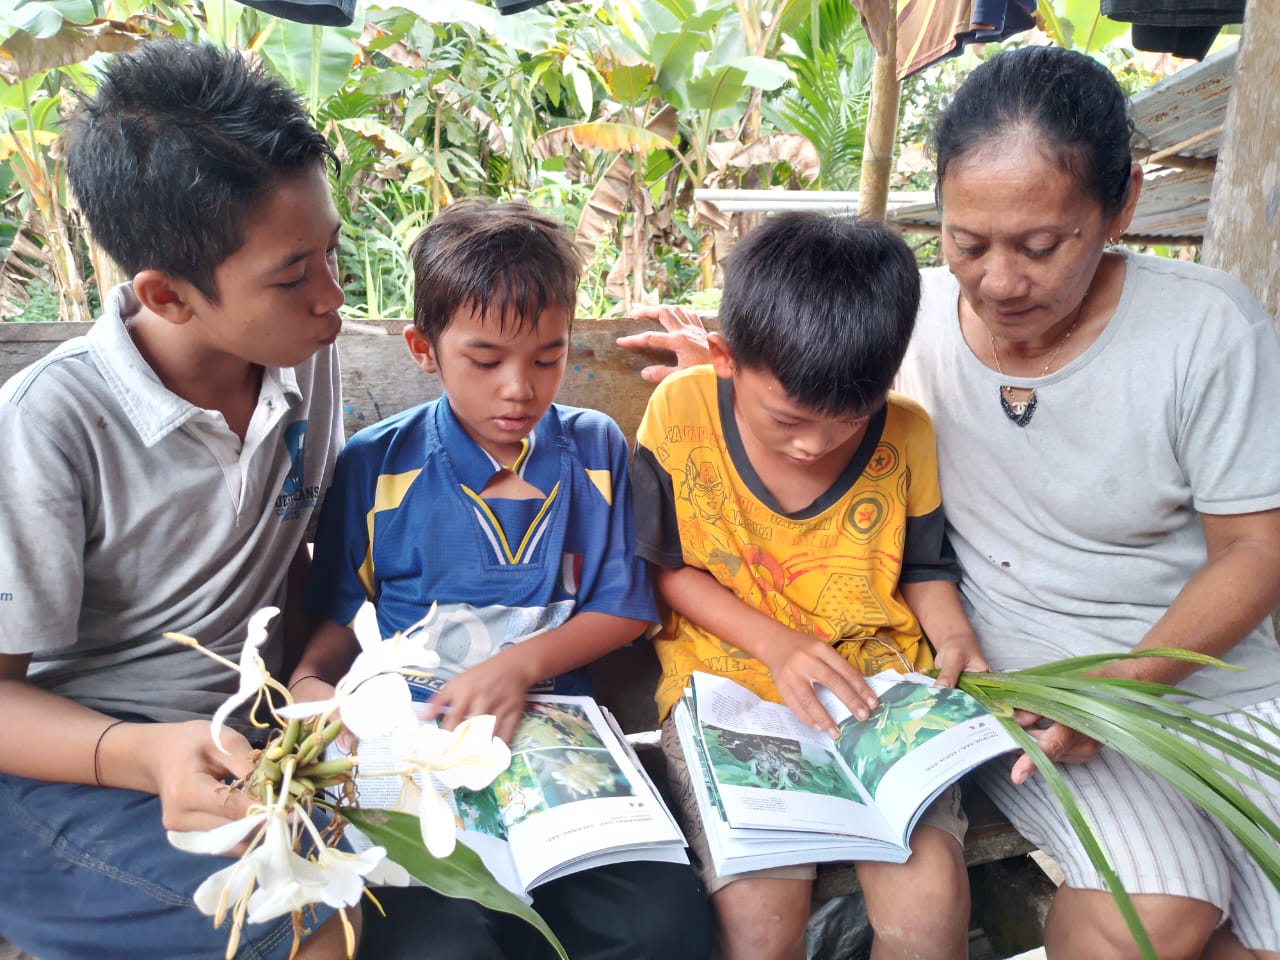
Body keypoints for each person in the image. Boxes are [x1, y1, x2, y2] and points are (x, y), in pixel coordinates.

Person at [621, 45, 1280, 960]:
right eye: (968, 243)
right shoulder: (908, 317)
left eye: (1041, 246)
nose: (1001, 281)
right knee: (1166, 915)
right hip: (1019, 687)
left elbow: (1255, 551)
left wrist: (1121, 690)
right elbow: (786, 371)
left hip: (1194, 677)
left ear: (1120, 207)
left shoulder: (1207, 328)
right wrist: (727, 385)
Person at [0, 42, 354, 960]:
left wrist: (316, 675)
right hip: (66, 780)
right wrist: (146, 754)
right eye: (292, 275)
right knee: (310, 920)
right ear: (166, 294)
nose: (332, 299)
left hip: (246, 755)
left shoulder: (299, 357)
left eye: (333, 252)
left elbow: (308, 560)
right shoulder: (50, 424)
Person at [294, 198, 714, 960]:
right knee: (439, 947)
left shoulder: (595, 450)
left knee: (662, 930)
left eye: (547, 358)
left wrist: (517, 667)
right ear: (424, 348)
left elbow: (625, 606)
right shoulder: (376, 464)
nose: (518, 389)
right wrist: (312, 690)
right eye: (485, 361)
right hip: (410, 748)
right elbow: (334, 628)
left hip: (557, 743)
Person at [630, 211, 991, 960]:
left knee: (929, 913)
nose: (812, 444)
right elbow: (665, 568)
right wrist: (775, 643)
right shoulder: (681, 411)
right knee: (759, 927)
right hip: (729, 689)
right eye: (787, 418)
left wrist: (955, 637)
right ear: (726, 358)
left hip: (876, 696)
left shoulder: (906, 436)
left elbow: (924, 568)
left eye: (847, 420)